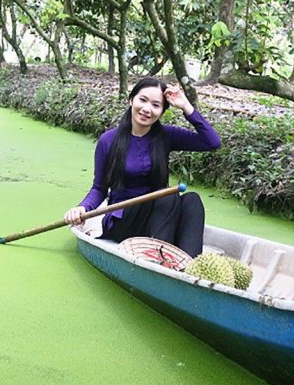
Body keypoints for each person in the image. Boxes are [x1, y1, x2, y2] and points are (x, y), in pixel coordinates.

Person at [63, 77, 221, 257]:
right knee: (168, 196)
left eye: (156, 105)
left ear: (161, 111)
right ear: (131, 100)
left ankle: (188, 263)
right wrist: (83, 208)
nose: (147, 109)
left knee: (192, 199)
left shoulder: (166, 136)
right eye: (143, 100)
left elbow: (212, 142)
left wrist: (186, 106)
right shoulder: (108, 140)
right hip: (123, 220)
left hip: (158, 217)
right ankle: (158, 260)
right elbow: (99, 188)